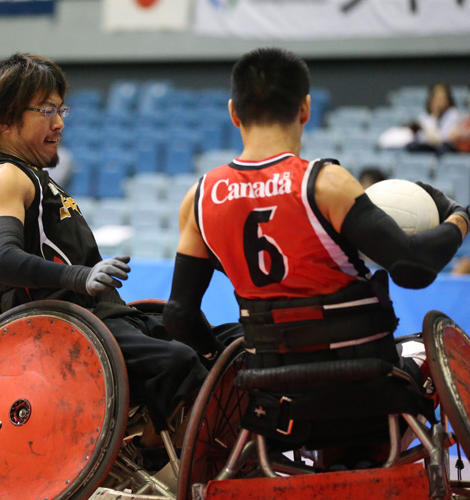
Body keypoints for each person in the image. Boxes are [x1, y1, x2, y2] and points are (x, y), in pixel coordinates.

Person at [162, 48, 468, 464]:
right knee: (422, 353)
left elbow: (179, 313)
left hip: (275, 407)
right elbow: (413, 268)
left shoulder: (199, 199)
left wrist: (220, 359)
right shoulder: (325, 184)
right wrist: (458, 218)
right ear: (305, 109)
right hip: (369, 396)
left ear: (234, 113)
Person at [0, 53, 238, 433]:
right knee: (176, 361)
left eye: (61, 110)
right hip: (57, 328)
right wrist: (81, 275)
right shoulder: (0, 177)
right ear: (5, 118)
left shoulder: (32, 175)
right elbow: (2, 259)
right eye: (45, 110)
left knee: (225, 342)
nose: (59, 123)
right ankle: (166, 459)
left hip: (97, 319)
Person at [406, 82, 462, 156]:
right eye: (437, 97)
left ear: (447, 99)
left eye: (442, 98)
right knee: (411, 146)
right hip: (429, 144)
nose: (439, 101)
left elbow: (445, 137)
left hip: (444, 146)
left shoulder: (452, 114)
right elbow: (421, 137)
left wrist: (432, 134)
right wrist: (434, 115)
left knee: (443, 149)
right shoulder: (425, 115)